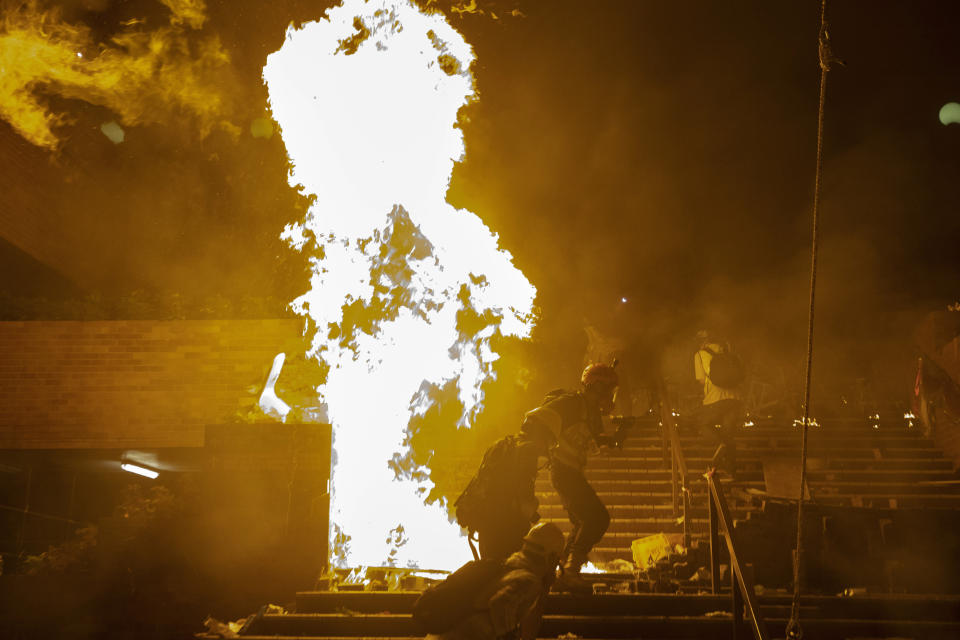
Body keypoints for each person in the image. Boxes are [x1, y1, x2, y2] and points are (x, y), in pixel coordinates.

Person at [520, 363, 619, 594]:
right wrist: (538, 448)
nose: (610, 396)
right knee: (597, 518)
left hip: (572, 472)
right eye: (608, 389)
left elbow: (590, 440)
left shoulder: (590, 412)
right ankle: (571, 569)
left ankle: (562, 572)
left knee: (581, 523)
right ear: (596, 386)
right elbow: (536, 418)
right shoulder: (572, 403)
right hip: (563, 471)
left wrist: (613, 440)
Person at [423, 522, 565, 640]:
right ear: (552, 558)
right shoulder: (528, 580)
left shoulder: (508, 567)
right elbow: (500, 603)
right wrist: (508, 636)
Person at [454, 431, 543, 561]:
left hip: (487, 525)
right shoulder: (528, 450)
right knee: (508, 574)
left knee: (489, 571)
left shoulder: (501, 444)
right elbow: (525, 501)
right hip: (510, 529)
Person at [693, 330, 745, 476]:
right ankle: (732, 470)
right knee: (728, 434)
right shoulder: (727, 350)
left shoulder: (699, 354)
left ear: (700, 342)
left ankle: (719, 443)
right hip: (735, 397)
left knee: (702, 424)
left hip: (715, 398)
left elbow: (701, 380)